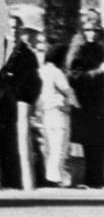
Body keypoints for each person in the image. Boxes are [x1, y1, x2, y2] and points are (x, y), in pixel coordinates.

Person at [0, 15, 41, 190]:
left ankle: (11, 187)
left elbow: (34, 83)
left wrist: (23, 99)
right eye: (11, 27)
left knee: (10, 149)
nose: (14, 30)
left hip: (11, 107)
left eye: (17, 28)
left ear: (22, 31)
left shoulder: (28, 55)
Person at [67, 10, 104, 188]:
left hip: (99, 102)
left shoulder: (100, 46)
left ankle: (97, 179)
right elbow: (73, 77)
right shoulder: (78, 48)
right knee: (92, 143)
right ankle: (93, 180)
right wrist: (97, 73)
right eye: (88, 29)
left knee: (98, 143)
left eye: (95, 30)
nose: (92, 34)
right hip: (86, 103)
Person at [39, 43, 79, 187]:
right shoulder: (56, 72)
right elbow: (68, 91)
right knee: (59, 148)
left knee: (49, 147)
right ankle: (54, 178)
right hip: (58, 113)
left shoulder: (41, 70)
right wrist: (76, 105)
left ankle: (49, 176)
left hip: (44, 113)